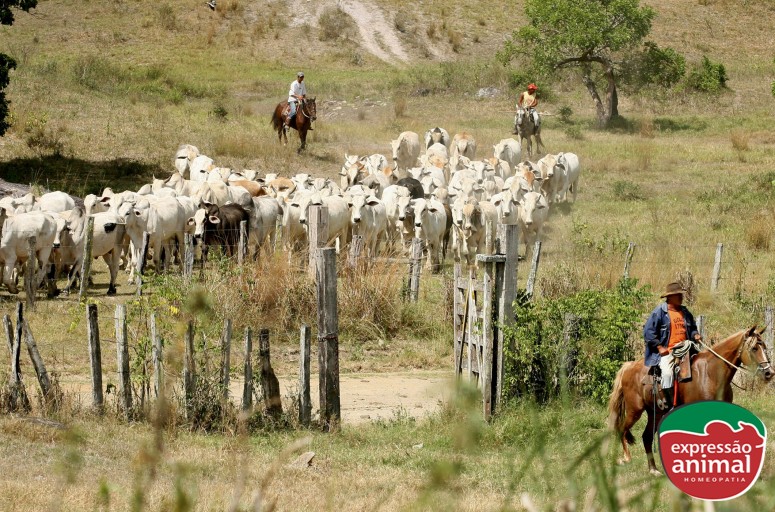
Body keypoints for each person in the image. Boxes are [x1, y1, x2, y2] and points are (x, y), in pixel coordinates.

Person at [643, 282, 702, 409]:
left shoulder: (685, 312)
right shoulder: (659, 312)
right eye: (678, 295)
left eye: (681, 294)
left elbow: (691, 328)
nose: (681, 297)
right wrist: (659, 347)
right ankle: (670, 405)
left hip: (687, 348)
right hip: (669, 351)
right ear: (670, 297)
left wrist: (695, 334)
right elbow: (648, 332)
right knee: (668, 373)